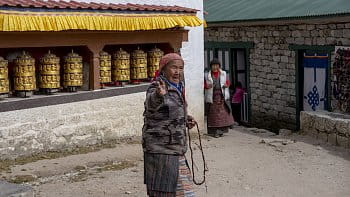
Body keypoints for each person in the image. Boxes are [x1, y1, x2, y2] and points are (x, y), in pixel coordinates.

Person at [142, 53, 196, 197]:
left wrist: (185, 120)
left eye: (180, 68)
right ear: (164, 69)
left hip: (176, 148)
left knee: (182, 191)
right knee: (164, 191)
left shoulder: (178, 87)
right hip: (161, 149)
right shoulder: (156, 86)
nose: (177, 72)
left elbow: (171, 111)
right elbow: (151, 104)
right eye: (174, 68)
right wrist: (159, 96)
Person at [204, 58, 234, 137]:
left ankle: (221, 131)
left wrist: (226, 85)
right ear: (211, 66)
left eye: (216, 65)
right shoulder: (207, 75)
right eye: (213, 65)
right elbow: (204, 85)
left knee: (222, 114)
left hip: (221, 96)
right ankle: (215, 131)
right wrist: (207, 86)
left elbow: (227, 82)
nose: (215, 67)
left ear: (219, 66)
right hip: (212, 96)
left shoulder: (223, 73)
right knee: (214, 114)